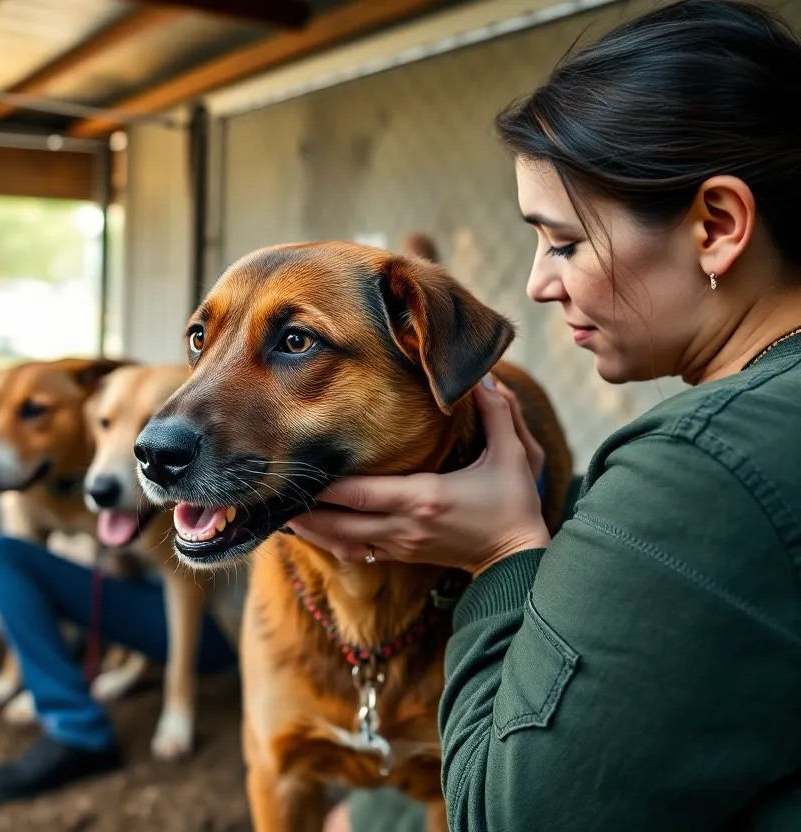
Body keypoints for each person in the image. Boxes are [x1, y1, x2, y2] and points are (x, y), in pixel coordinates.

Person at [289, 1, 801, 828]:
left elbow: (513, 815)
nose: (537, 284)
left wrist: (499, 554)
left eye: (563, 242)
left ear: (716, 226)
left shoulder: (706, 465)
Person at [0, 534, 242, 803]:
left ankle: (76, 726)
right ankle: (61, 699)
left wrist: (179, 701)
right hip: (149, 597)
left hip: (217, 620)